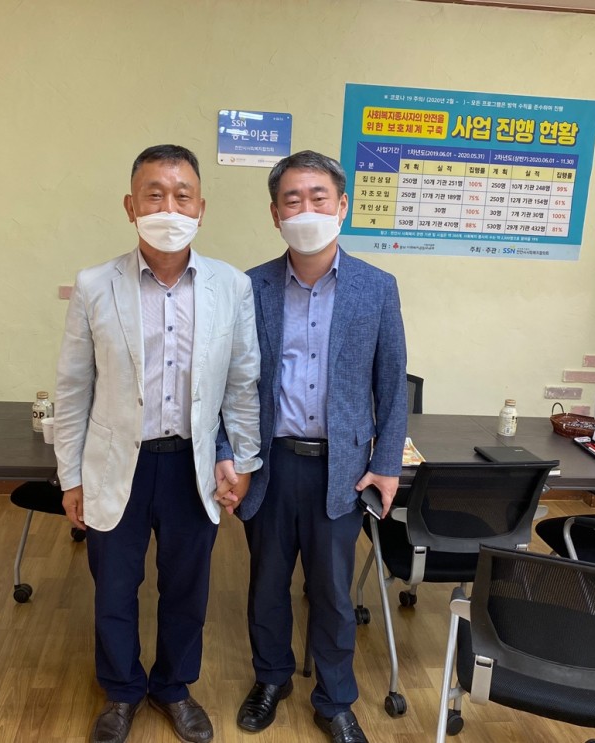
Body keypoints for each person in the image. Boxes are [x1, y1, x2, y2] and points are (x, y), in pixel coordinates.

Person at [55, 144, 261, 743]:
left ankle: (173, 687)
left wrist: (242, 459)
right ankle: (121, 691)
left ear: (201, 208)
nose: (169, 207)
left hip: (191, 465)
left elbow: (242, 383)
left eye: (182, 195)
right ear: (130, 206)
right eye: (154, 194)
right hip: (115, 463)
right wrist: (71, 476)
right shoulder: (95, 285)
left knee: (187, 590)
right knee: (115, 590)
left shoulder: (231, 286)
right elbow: (73, 389)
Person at [217, 150, 407, 743]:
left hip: (341, 469)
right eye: (292, 200)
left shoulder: (376, 288)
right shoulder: (250, 287)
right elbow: (226, 383)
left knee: (332, 593)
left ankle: (335, 699)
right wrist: (228, 453)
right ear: (275, 213)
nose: (306, 209)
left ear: (342, 205)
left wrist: (386, 464)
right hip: (269, 464)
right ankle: (271, 679)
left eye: (318, 197)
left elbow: (392, 384)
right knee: (266, 585)